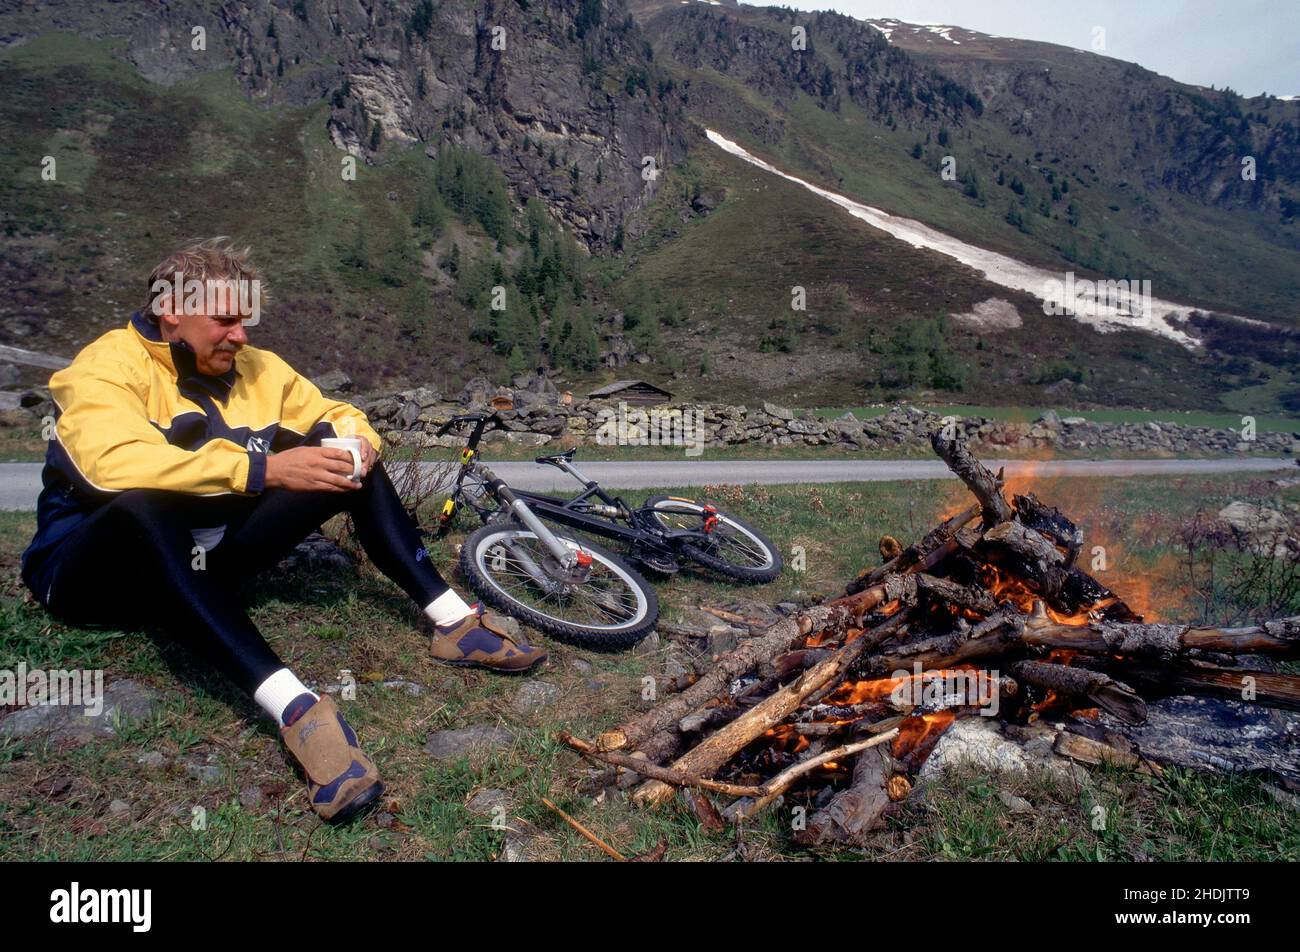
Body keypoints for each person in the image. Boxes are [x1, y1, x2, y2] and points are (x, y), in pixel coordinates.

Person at [20, 237, 546, 824]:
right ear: (172, 311)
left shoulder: (257, 369)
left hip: (205, 562)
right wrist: (264, 468)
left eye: (244, 321)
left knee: (340, 462)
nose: (240, 336)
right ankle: (296, 709)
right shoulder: (105, 366)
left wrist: (356, 446)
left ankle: (453, 622)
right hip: (94, 575)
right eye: (224, 320)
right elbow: (113, 465)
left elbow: (337, 413)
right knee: (145, 504)